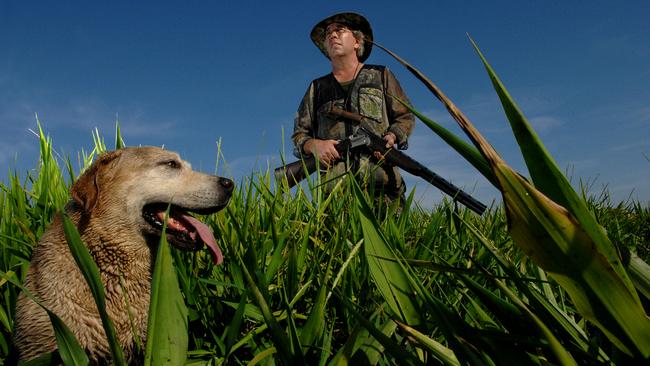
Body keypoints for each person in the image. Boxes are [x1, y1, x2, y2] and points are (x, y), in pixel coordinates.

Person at [292, 12, 415, 207]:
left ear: (357, 42)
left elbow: (405, 116)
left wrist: (393, 135)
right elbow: (299, 134)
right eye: (328, 34)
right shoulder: (317, 88)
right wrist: (314, 145)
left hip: (383, 190)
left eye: (340, 30)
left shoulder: (381, 76)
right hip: (335, 196)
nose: (332, 35)